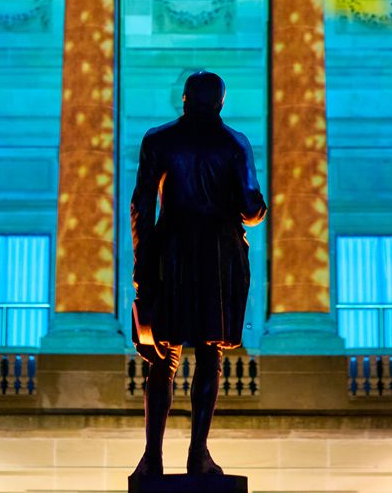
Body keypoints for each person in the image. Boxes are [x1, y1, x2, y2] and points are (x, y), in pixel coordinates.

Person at [129, 71, 267, 478]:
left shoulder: (158, 140)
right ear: (221, 103)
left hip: (169, 252)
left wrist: (142, 264)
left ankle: (151, 456)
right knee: (210, 354)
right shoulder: (234, 143)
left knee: (162, 357)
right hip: (217, 255)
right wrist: (257, 205)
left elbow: (141, 206)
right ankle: (198, 454)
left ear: (185, 99)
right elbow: (251, 209)